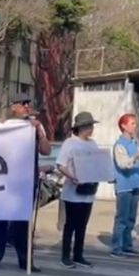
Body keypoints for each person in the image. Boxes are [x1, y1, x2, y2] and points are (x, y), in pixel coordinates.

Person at [0, 93, 52, 273]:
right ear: (13, 107)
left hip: (26, 181)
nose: (27, 107)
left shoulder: (35, 125)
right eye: (23, 104)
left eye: (28, 103)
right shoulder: (3, 126)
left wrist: (39, 132)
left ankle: (25, 260)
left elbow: (46, 150)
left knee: (22, 223)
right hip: (3, 181)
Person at [56, 112, 101, 268]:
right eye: (88, 126)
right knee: (71, 225)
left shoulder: (93, 144)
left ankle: (78, 254)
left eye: (92, 126)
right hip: (72, 192)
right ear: (80, 128)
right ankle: (65, 255)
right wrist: (73, 177)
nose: (91, 129)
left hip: (88, 191)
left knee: (82, 225)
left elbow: (97, 163)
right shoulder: (70, 143)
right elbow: (61, 164)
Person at [110, 113, 139, 258]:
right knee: (122, 217)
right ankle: (116, 247)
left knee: (131, 218)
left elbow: (138, 161)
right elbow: (123, 164)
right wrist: (137, 156)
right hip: (124, 184)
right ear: (123, 126)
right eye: (132, 123)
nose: (135, 126)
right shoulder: (120, 145)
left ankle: (127, 245)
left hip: (136, 183)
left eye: (135, 123)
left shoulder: (135, 142)